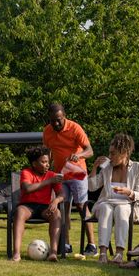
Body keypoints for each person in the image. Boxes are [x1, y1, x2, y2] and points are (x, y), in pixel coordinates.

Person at [42, 102, 96, 256]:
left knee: (82, 206)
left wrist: (78, 155)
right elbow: (47, 152)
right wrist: (47, 167)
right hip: (60, 175)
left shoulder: (75, 128)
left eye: (58, 120)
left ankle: (91, 245)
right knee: (63, 208)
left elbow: (90, 150)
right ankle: (66, 244)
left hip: (77, 173)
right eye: (53, 120)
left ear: (64, 116)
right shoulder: (47, 131)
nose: (56, 124)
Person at [88, 133, 139, 264]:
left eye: (113, 153)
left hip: (128, 205)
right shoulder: (107, 167)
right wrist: (94, 168)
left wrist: (129, 192)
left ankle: (119, 254)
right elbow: (92, 187)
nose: (109, 157)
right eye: (109, 153)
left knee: (121, 209)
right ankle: (103, 254)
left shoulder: (138, 167)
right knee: (105, 208)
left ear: (124, 153)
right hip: (106, 203)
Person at [11, 146, 64, 262]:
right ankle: (16, 253)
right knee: (19, 212)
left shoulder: (52, 175)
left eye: (48, 162)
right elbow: (27, 188)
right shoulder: (26, 172)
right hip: (27, 206)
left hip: (45, 208)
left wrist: (56, 201)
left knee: (57, 213)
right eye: (43, 162)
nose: (47, 165)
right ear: (34, 164)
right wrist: (49, 181)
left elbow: (62, 194)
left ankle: (53, 253)